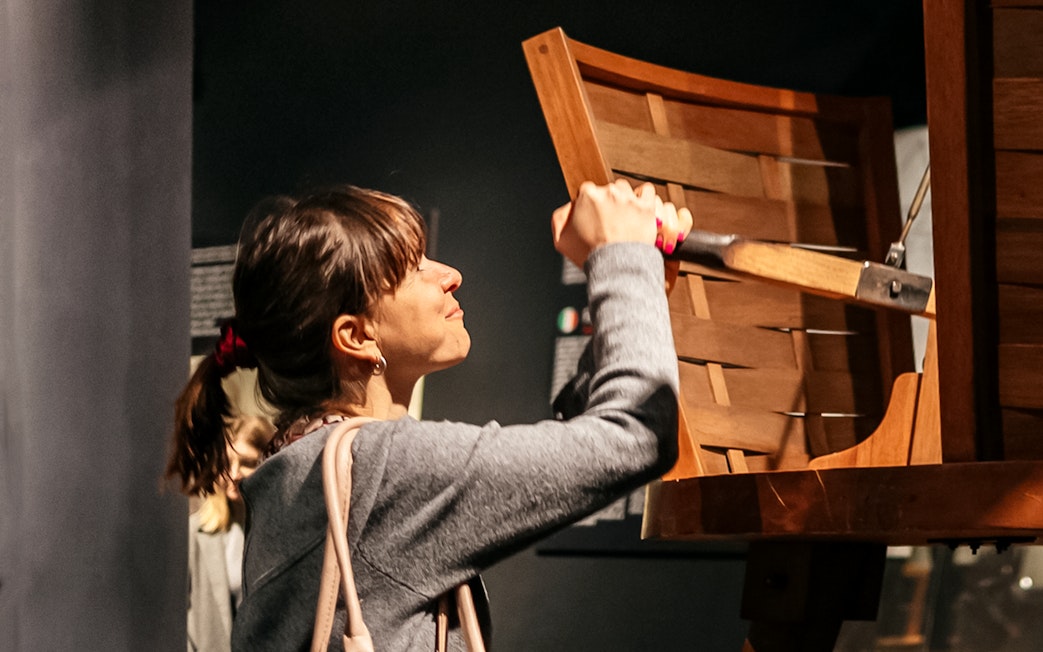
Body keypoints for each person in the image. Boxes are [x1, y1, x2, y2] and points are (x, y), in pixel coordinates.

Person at [165, 180, 692, 650]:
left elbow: (566, 456)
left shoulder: (305, 463)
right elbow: (636, 434)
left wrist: (638, 283)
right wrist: (620, 256)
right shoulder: (382, 469)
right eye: (414, 268)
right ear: (356, 335)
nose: (451, 275)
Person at [186, 414, 274, 652]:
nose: (233, 474)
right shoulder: (198, 531)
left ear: (268, 462)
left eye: (246, 462)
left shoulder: (278, 530)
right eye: (227, 462)